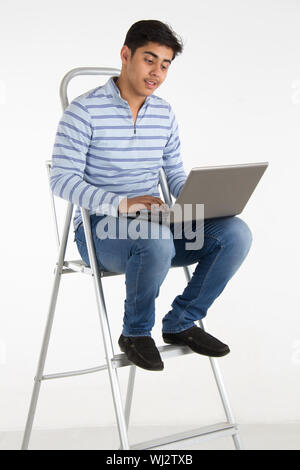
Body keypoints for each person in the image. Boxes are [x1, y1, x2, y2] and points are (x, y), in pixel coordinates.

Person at [50, 20, 253, 372]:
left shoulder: (163, 112)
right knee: (155, 238)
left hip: (155, 225)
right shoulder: (83, 112)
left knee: (235, 233)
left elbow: (173, 171)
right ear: (125, 55)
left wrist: (196, 200)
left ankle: (181, 321)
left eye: (165, 65)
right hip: (101, 230)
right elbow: (61, 179)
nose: (156, 73)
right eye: (149, 60)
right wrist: (121, 203)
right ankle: (135, 333)